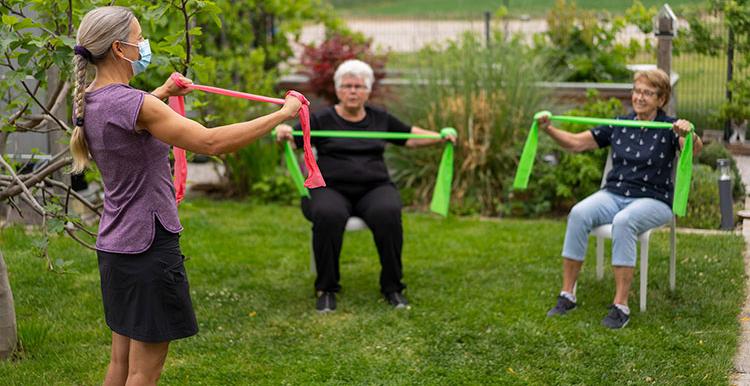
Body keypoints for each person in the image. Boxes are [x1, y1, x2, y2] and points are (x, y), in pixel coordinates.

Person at [71, 6, 301, 385]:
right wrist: (282, 114)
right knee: (144, 372)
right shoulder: (134, 104)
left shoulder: (92, 101)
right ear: (118, 48)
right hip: (148, 247)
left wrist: (162, 92)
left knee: (120, 365)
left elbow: (133, 120)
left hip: (116, 246)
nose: (143, 45)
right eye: (138, 38)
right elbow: (210, 142)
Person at [276, 59, 456, 312]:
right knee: (328, 215)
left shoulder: (379, 118)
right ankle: (326, 288)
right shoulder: (321, 119)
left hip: (374, 187)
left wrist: (439, 136)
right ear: (338, 90)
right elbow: (291, 139)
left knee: (388, 213)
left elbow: (410, 136)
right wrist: (283, 131)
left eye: (359, 86)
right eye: (347, 86)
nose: (353, 91)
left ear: (367, 91)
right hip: (330, 187)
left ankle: (393, 287)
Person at [540, 68, 703, 329]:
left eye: (648, 93)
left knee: (624, 221)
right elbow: (576, 143)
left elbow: (692, 150)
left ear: (661, 100)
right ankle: (567, 295)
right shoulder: (620, 124)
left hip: (655, 200)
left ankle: (620, 306)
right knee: (578, 213)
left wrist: (688, 133)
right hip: (613, 194)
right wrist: (548, 129)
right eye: (637, 91)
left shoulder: (669, 128)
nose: (639, 97)